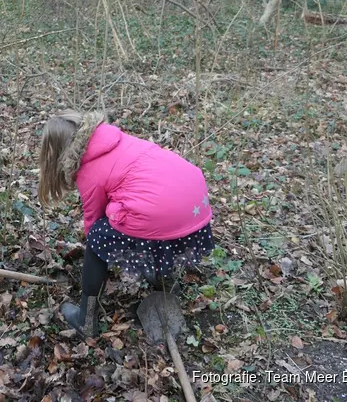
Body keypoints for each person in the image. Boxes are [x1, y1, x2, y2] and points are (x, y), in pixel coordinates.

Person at [38, 110, 215, 337]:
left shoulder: (89, 171)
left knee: (98, 238)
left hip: (165, 213)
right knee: (144, 219)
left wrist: (97, 256)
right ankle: (161, 276)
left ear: (57, 150)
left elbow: (93, 221)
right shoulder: (118, 140)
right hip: (196, 206)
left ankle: (86, 319)